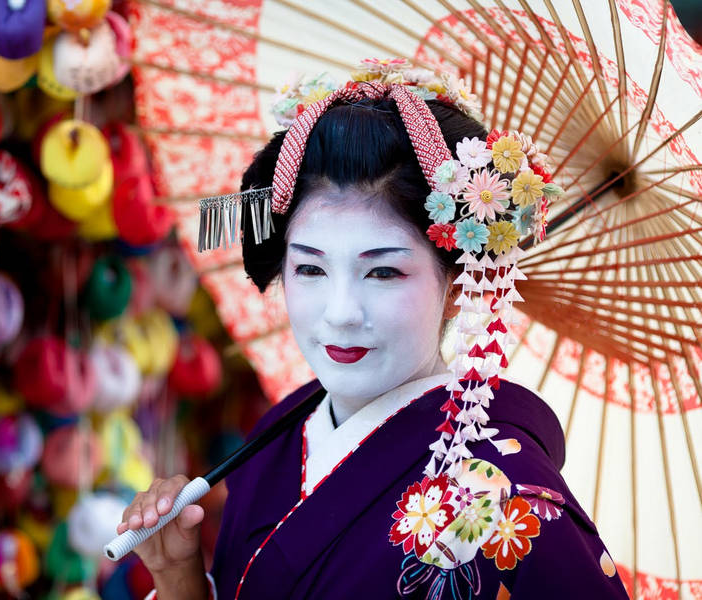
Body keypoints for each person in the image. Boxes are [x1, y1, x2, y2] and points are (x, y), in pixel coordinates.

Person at [117, 60, 629, 599]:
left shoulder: (510, 504)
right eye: (310, 269)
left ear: (457, 283)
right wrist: (178, 575)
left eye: (383, 271)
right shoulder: (277, 440)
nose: (339, 313)